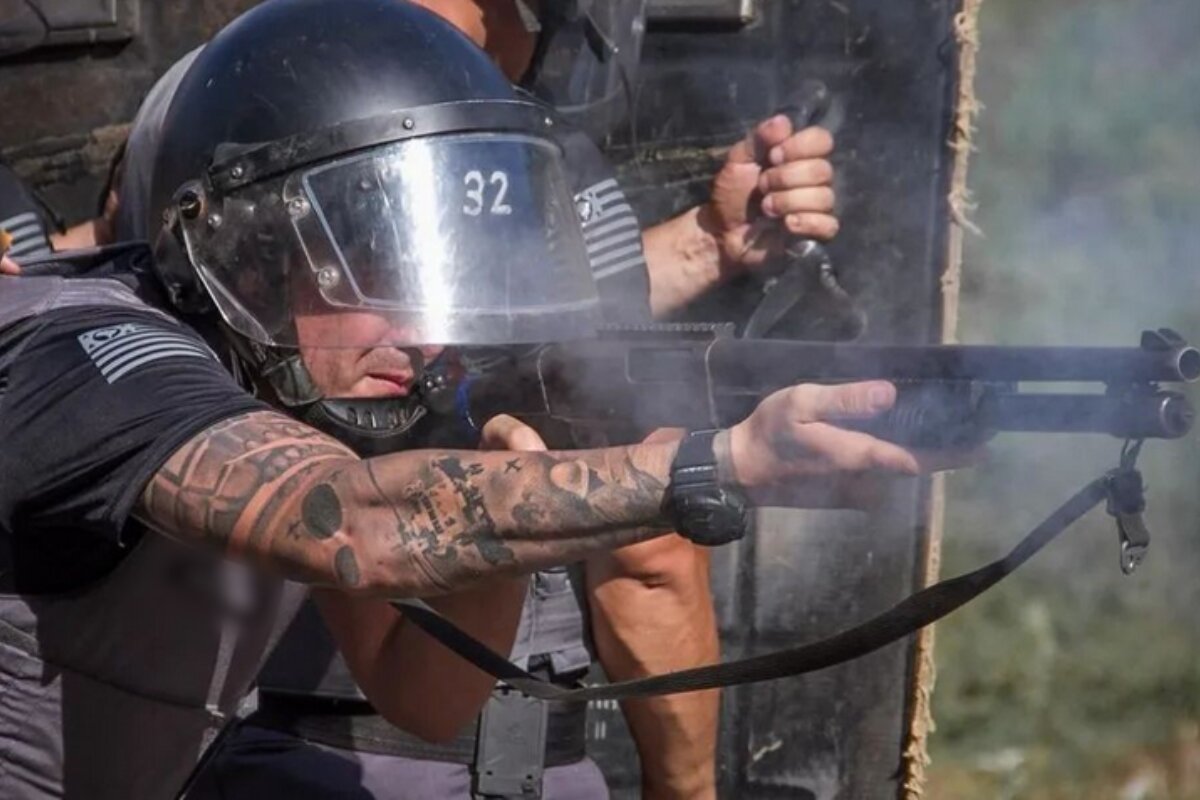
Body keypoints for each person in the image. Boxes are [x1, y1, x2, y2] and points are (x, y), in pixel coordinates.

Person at [21, 3, 837, 799]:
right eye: (373, 276)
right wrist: (716, 462)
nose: (424, 336)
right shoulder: (88, 346)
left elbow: (426, 700)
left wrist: (510, 503)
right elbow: (348, 523)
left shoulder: (295, 387)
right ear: (251, 255)